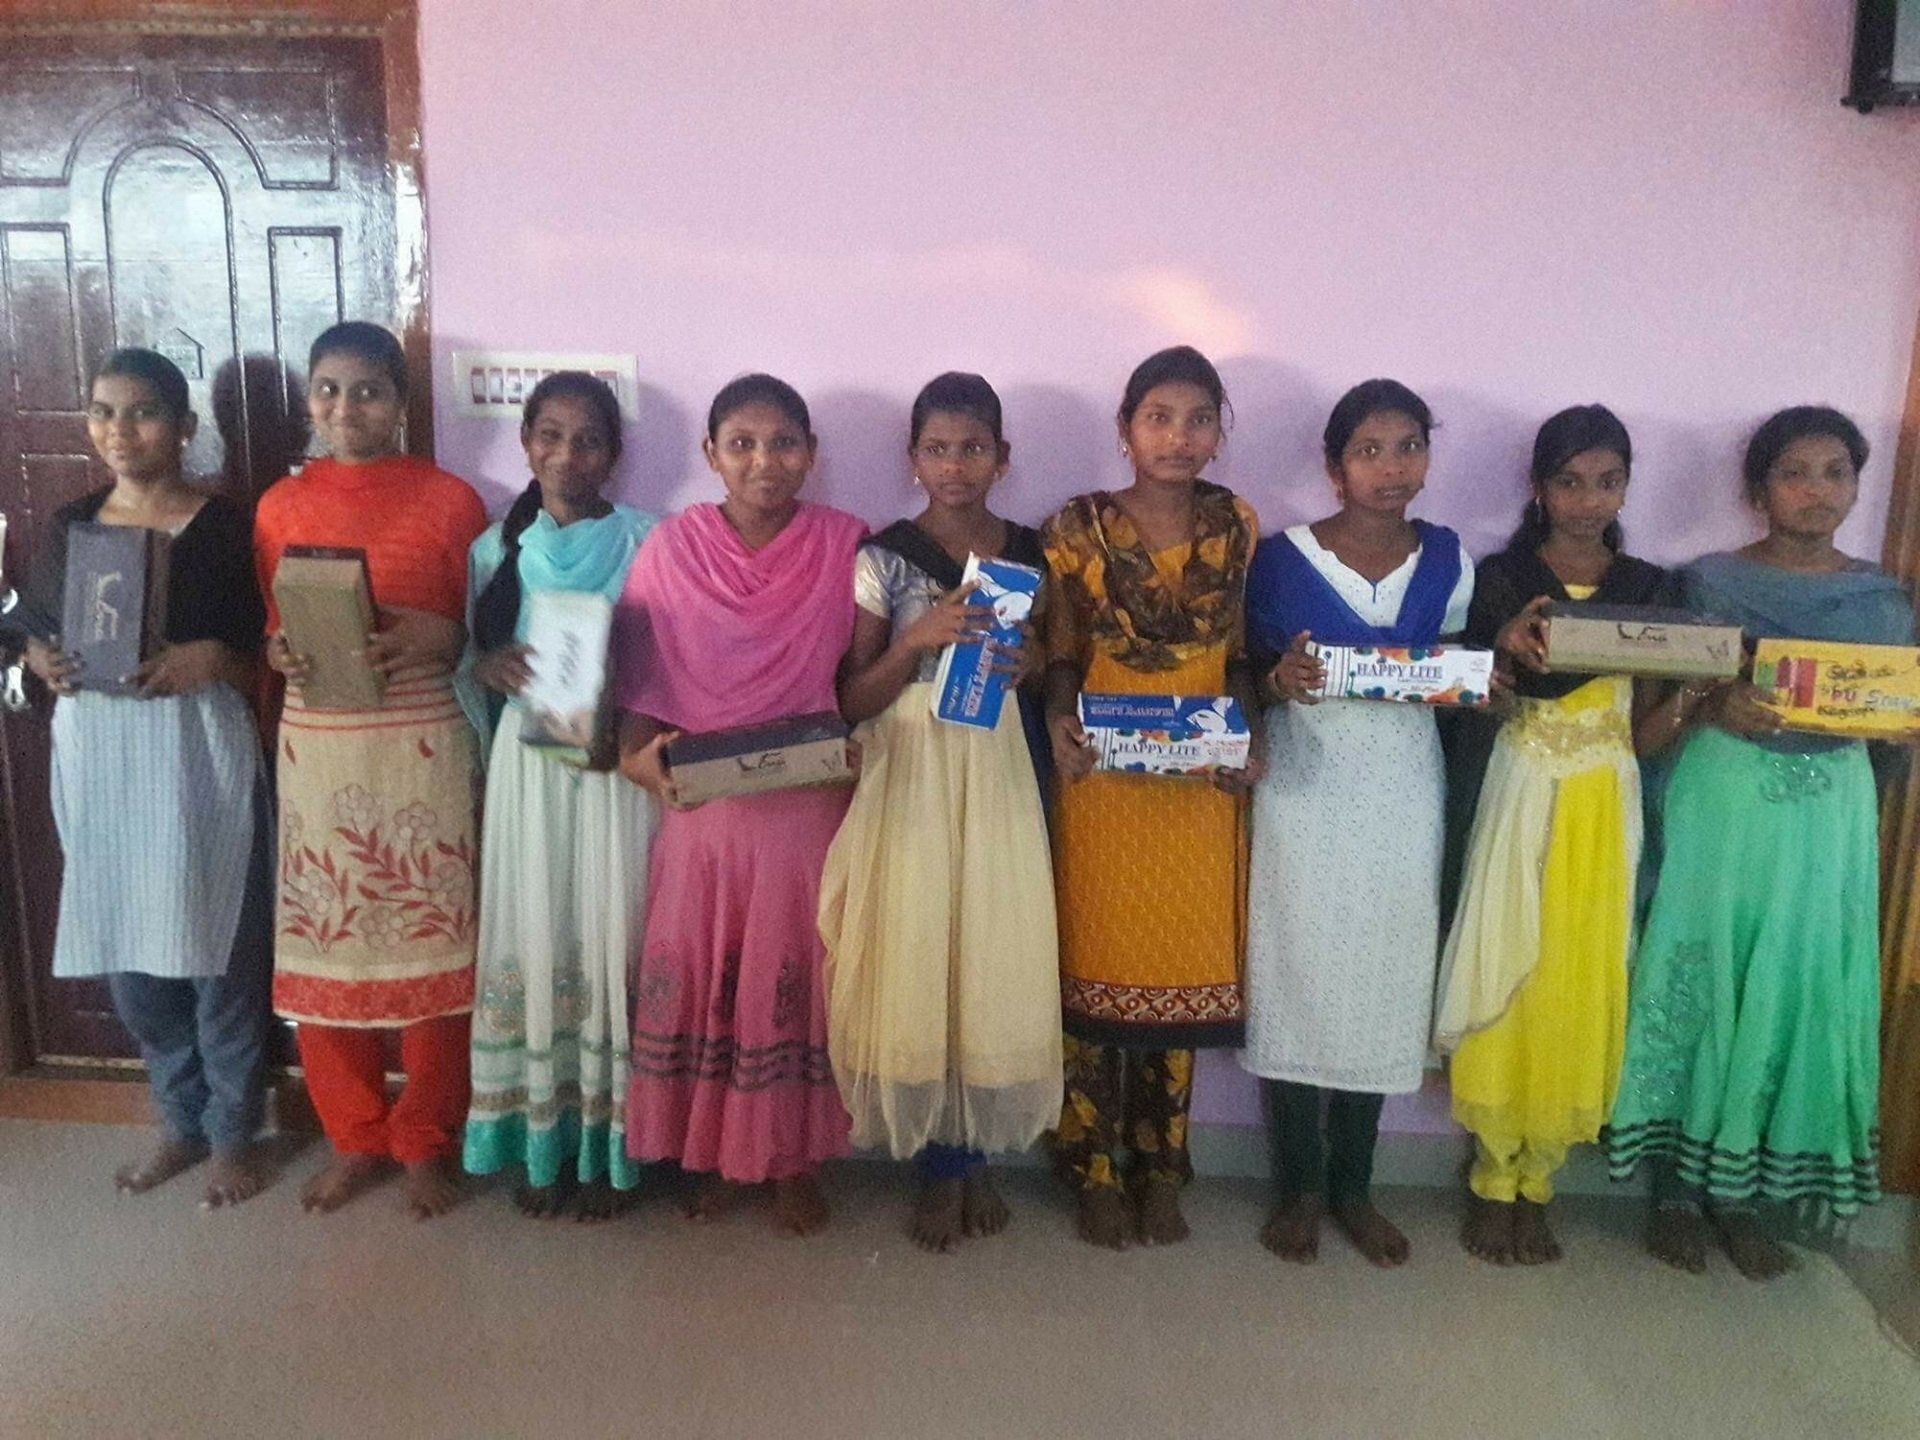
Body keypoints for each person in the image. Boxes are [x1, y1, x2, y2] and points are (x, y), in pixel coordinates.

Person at [1610, 406, 1913, 1279]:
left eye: (1835, 473)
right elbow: (1657, 708)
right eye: (1794, 473)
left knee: (1796, 977)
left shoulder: (1883, 602)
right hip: (1724, 796)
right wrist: (1712, 703)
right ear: (1757, 489)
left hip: (1828, 812)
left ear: (1857, 485)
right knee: (1699, 967)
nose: (1816, 491)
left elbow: (1893, 719)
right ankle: (1671, 1187)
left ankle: (1744, 1195)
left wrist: (1892, 733)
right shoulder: (1703, 584)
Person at [21, 348, 273, 1208]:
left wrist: (217, 660)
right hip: (102, 758)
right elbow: (32, 629)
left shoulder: (231, 528)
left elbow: (273, 654)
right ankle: (181, 1120)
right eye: (102, 412)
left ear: (186, 427)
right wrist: (40, 657)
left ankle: (236, 1133)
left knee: (217, 949)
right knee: (132, 954)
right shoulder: (71, 526)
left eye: (142, 412)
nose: (119, 431)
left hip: (197, 756)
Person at [615, 373, 866, 1235]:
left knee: (793, 984)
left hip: (805, 805)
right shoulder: (670, 550)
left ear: (811, 453)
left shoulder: (846, 546)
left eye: (785, 443)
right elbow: (640, 679)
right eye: (744, 443)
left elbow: (863, 677)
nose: (765, 461)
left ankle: (792, 1161)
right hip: (703, 807)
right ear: (710, 454)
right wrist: (635, 760)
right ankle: (714, 1153)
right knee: (706, 978)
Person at [820, 372, 1061, 1253]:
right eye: (937, 448)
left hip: (997, 765)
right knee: (921, 945)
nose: (955, 465)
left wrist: (1032, 663)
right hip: (912, 766)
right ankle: (936, 1163)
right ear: (912, 456)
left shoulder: (1034, 552)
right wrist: (918, 640)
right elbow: (853, 696)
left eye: (973, 448)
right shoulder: (883, 555)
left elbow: (1052, 674)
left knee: (988, 947)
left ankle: (976, 1156)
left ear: (1002, 456)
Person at [256, 321, 488, 1219]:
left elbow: (486, 631)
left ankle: (426, 1140)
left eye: (366, 391)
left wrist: (444, 636)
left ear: (400, 401)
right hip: (318, 746)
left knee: (435, 949)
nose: (344, 409)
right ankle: (354, 1136)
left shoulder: (452, 499)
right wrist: (280, 654)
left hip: (422, 747)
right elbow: (271, 626)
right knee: (328, 949)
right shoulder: (279, 504)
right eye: (327, 389)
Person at [1241, 378, 1475, 1268]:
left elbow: (1452, 670)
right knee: (1300, 962)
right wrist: (1275, 685)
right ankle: (1298, 1187)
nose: (1392, 466)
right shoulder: (1278, 558)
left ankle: (1357, 1189)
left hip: (1404, 785)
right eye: (1370, 450)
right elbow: (1251, 671)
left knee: (1383, 967)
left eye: (1409, 446)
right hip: (1307, 783)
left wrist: (1477, 677)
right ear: (1334, 465)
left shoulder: (1452, 559)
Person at [1434, 404, 1666, 1265]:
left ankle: (1542, 1182)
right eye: (1569, 481)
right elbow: (1477, 694)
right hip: (1522, 787)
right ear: (1538, 487)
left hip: (1607, 798)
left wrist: (1702, 689)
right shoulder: (1502, 577)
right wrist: (1497, 654)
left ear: (1626, 486)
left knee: (1580, 970)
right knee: (1512, 961)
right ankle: (1494, 1177)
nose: (1587, 500)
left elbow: (1643, 728)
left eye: (1607, 481)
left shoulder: (1651, 588)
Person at [1042, 346, 1260, 1250]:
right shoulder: (1076, 526)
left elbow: (1242, 650)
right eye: (1158, 417)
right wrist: (1057, 719)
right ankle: (1092, 1165)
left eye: (1198, 418)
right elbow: (1059, 646)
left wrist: (1250, 738)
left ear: (1220, 431)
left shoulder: (1235, 524)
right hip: (1104, 778)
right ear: (1125, 428)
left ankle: (1162, 1168)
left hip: (1199, 781)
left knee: (1175, 975)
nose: (1178, 436)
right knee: (1097, 969)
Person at [456, 372, 658, 1220]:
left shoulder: (654, 541)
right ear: (525, 442)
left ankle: (613, 1150)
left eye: (587, 439)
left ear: (614, 454)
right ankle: (544, 1142)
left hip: (615, 766)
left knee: (615, 929)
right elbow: (471, 662)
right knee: (539, 930)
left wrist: (629, 712)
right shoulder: (494, 548)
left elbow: (671, 657)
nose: (567, 455)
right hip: (531, 769)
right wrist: (487, 666)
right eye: (549, 435)